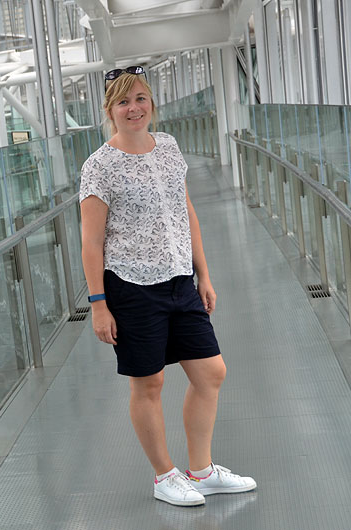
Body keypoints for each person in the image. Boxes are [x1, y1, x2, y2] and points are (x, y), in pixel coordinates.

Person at [78, 66, 257, 507]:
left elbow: (185, 210)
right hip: (131, 286)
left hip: (180, 280)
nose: (133, 108)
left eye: (140, 98)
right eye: (123, 102)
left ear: (151, 103)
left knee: (211, 372)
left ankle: (202, 471)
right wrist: (99, 304)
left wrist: (203, 274)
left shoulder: (170, 147)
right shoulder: (99, 166)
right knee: (149, 383)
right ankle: (164, 476)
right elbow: (91, 242)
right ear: (110, 110)